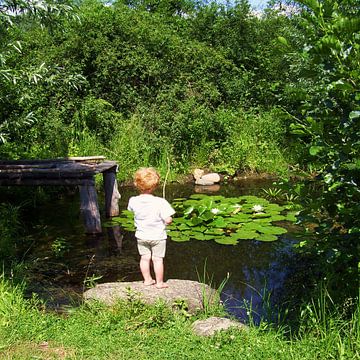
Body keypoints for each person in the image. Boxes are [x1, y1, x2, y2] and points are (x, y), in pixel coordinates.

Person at [127, 167, 175, 289]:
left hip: (141, 236)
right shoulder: (160, 202)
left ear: (137, 185)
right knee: (157, 259)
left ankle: (147, 280)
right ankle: (159, 282)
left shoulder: (133, 200)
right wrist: (168, 220)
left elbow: (131, 210)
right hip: (157, 237)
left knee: (144, 258)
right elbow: (168, 219)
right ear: (154, 186)